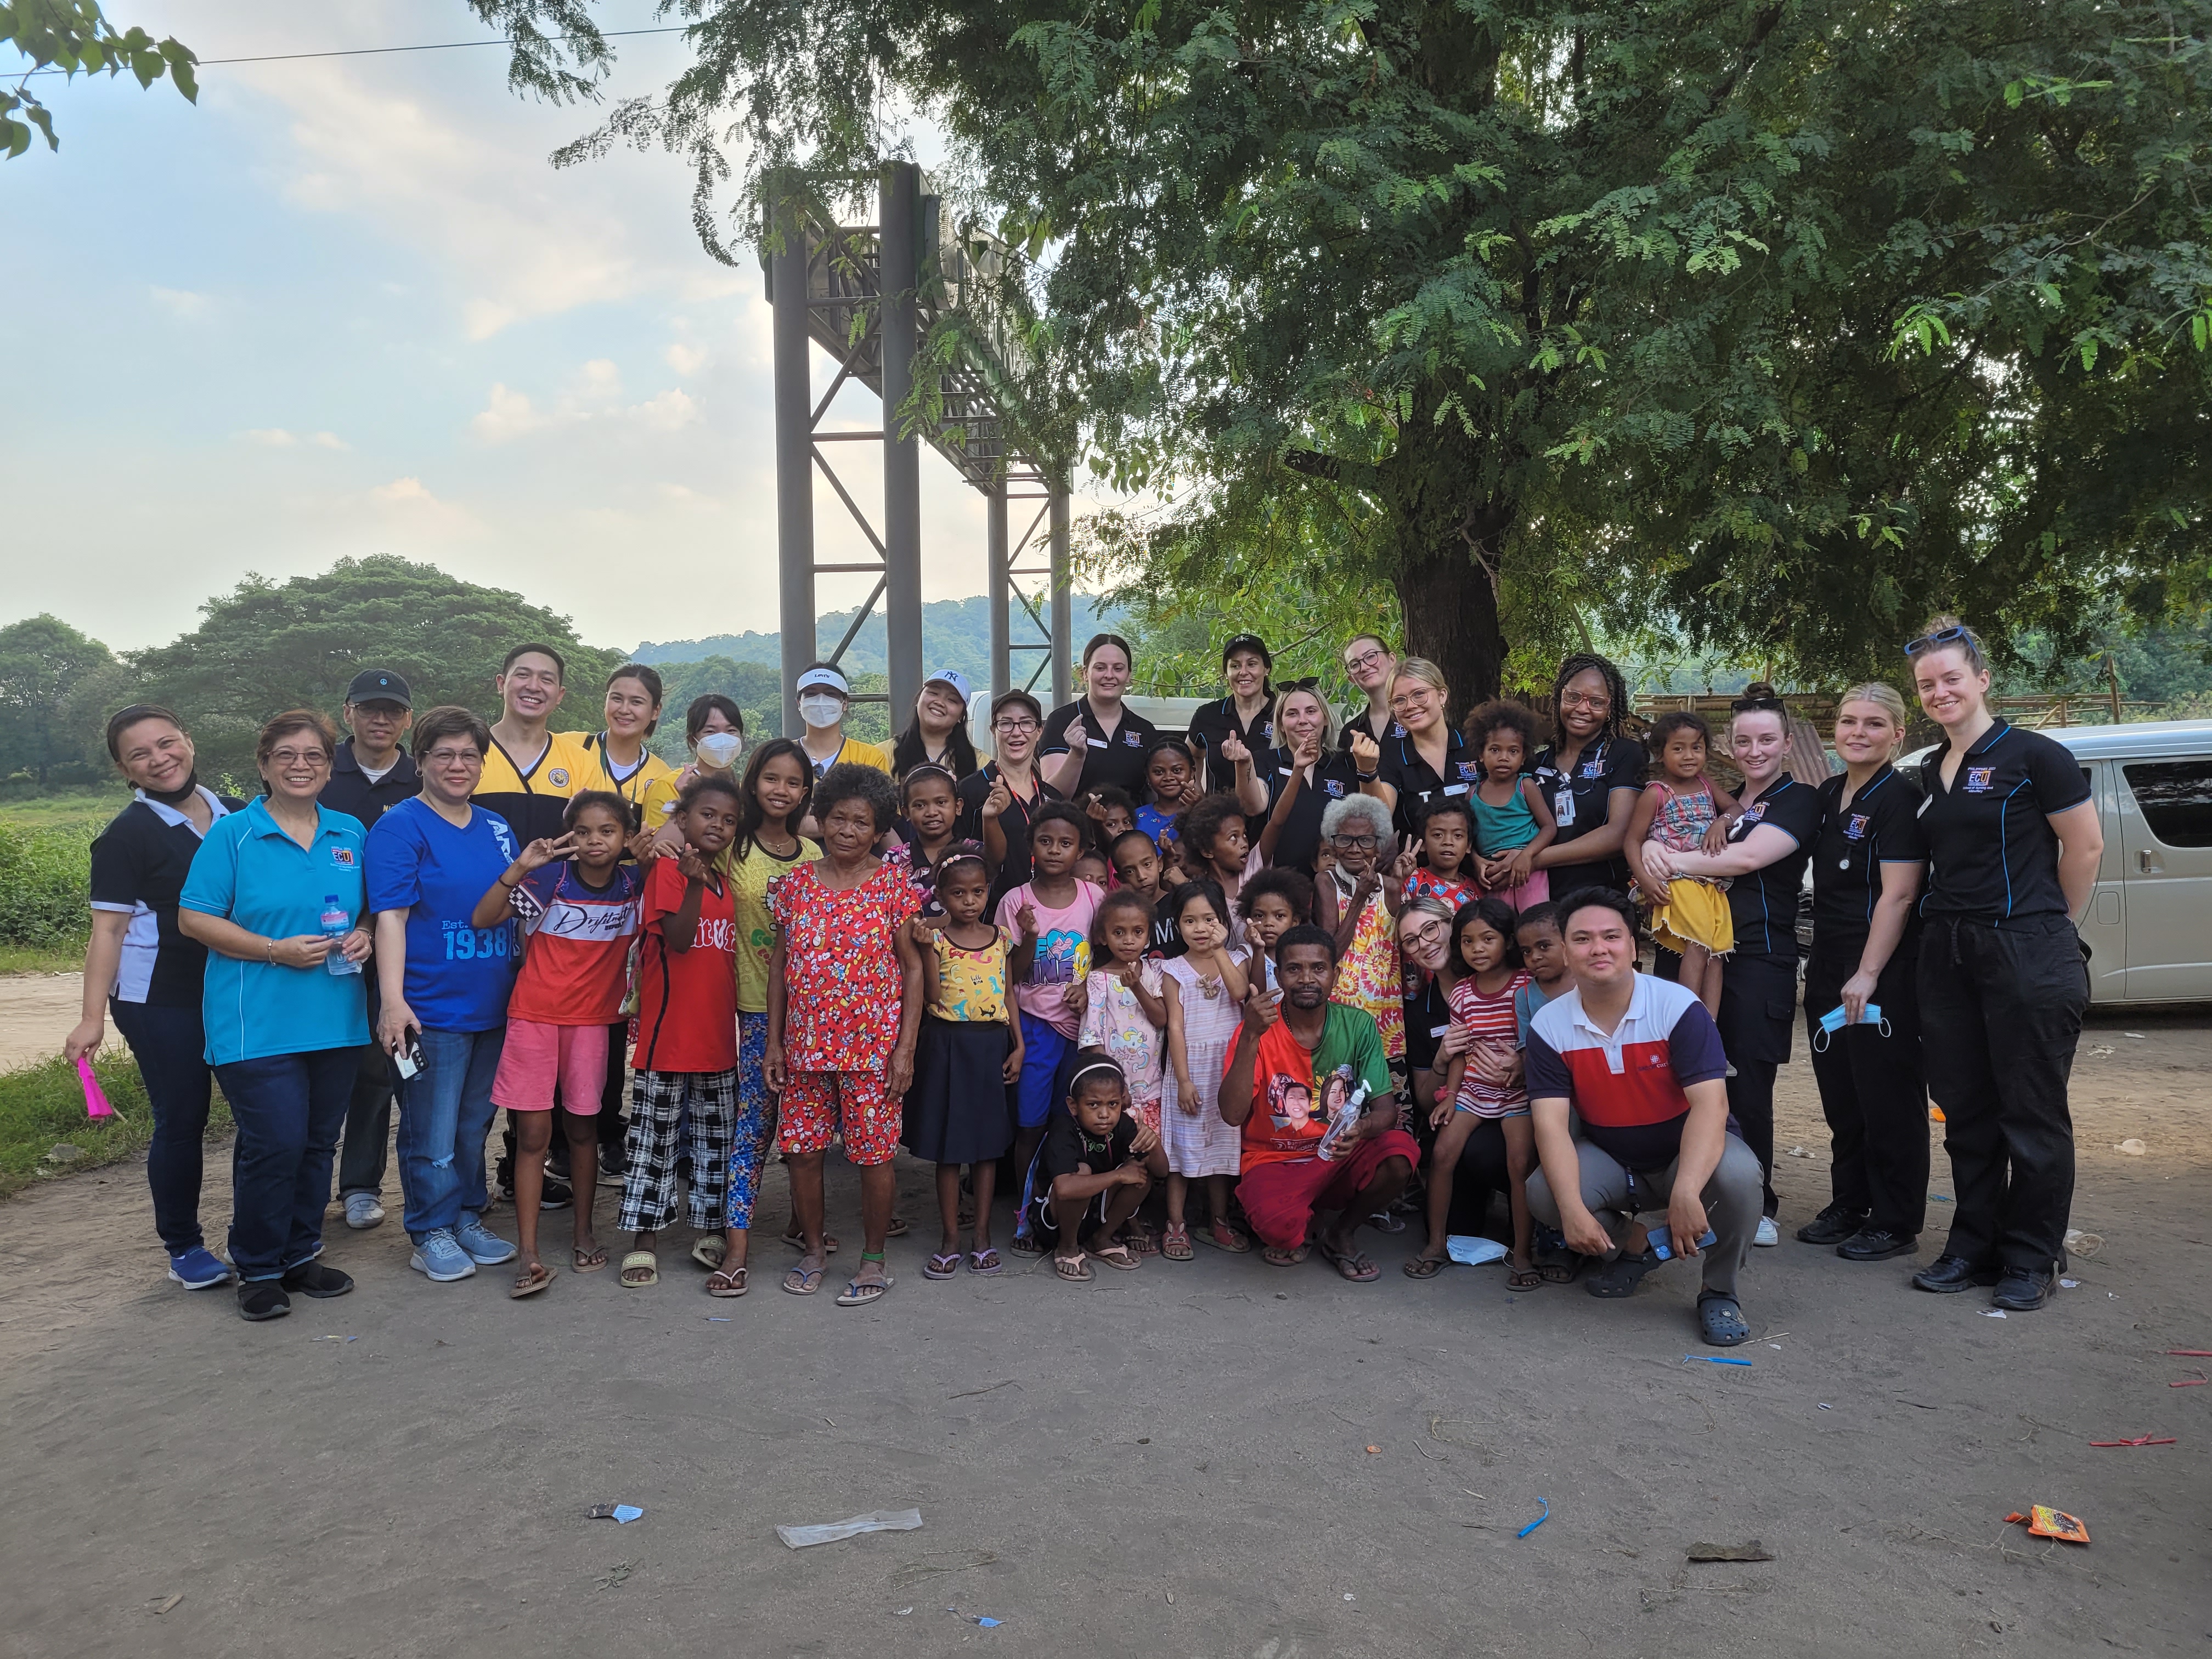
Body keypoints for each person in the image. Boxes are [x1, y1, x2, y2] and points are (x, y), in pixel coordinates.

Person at [1904, 618, 2100, 1311]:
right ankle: (1973, 1244)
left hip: (2026, 946)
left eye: (1952, 678)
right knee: (1965, 1110)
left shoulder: (2036, 756)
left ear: (1983, 680)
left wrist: (2051, 927)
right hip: (1949, 951)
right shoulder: (1931, 767)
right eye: (1927, 684)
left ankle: (2030, 1255)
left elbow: (2086, 848)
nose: (1940, 691)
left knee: (2032, 1113)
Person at [176, 711, 372, 1321]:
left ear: (328, 765)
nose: (300, 766)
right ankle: (257, 1266)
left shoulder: (349, 832)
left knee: (317, 1143)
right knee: (275, 1143)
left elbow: (373, 909)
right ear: (264, 765)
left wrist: (364, 933)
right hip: (255, 1022)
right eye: (286, 755)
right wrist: (272, 950)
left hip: (336, 1016)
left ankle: (299, 1254)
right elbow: (194, 918)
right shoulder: (233, 835)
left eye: (314, 756)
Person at [1522, 890, 1763, 1347]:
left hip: (1682, 1152)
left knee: (1738, 1175)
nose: (1598, 948)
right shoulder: (1549, 1026)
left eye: (1612, 936)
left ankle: (1720, 1292)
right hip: (1614, 1157)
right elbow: (1550, 1125)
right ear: (1567, 953)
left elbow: (1712, 1107)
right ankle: (1635, 1246)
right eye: (1582, 939)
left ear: (1634, 947)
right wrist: (1571, 1212)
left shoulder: (1677, 1008)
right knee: (1546, 1194)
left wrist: (1687, 1191)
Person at [1633, 685, 1824, 1245]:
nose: (1755, 749)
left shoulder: (1797, 800)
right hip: (1683, 947)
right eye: (1744, 740)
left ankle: (1756, 1202)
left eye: (1767, 739)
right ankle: (1691, 1193)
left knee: (1743, 1081)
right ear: (1730, 748)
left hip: (1755, 958)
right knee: (1685, 1078)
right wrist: (1646, 852)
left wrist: (1661, 858)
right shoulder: (1716, 799)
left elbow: (1744, 858)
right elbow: (1649, 836)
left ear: (1787, 743)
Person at [69, 706, 244, 1293]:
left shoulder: (238, 816)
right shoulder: (126, 836)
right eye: (140, 754)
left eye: (167, 743)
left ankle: (262, 1231)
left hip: (235, 986)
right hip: (159, 999)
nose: (159, 758)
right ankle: (184, 1246)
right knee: (183, 1118)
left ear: (189, 742)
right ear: (125, 769)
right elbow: (109, 932)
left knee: (261, 1112)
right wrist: (92, 1018)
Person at [368, 706, 523, 1285]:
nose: (458, 766)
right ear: (421, 761)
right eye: (444, 755)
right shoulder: (399, 827)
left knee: (473, 1124)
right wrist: (393, 1002)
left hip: (495, 1004)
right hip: (430, 1009)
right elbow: (391, 919)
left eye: (469, 756)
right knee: (429, 1129)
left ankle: (465, 1214)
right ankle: (428, 1228)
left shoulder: (496, 827)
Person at [472, 791, 642, 1295]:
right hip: (534, 1020)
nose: (595, 841)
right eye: (585, 832)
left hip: (593, 1025)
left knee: (585, 1133)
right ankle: (528, 1251)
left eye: (608, 831)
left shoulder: (635, 884)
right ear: (570, 837)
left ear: (625, 839)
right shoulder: (548, 880)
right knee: (532, 1138)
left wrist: (654, 849)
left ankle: (584, 1232)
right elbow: (484, 919)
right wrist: (520, 866)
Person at [768, 764, 924, 1307]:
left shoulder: (895, 887)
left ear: (878, 827)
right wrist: (774, 1042)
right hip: (806, 1046)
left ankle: (874, 1259)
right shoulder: (794, 886)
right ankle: (813, 1251)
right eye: (839, 818)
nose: (848, 830)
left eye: (862, 822)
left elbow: (912, 969)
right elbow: (780, 967)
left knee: (874, 1156)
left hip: (872, 1048)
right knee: (804, 1154)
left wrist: (904, 1048)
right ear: (823, 817)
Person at [1795, 683, 1931, 1263]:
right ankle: (1850, 1201)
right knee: (1842, 1092)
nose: (1858, 732)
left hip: (1879, 971)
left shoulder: (1900, 799)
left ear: (1898, 734)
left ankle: (1896, 1220)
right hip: (1828, 963)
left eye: (1874, 724)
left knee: (1888, 1095)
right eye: (1849, 721)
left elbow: (1899, 896)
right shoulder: (1829, 793)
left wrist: (1869, 973)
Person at [1220, 924, 1419, 1279]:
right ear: (1278, 975)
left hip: (1338, 1154)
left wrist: (1362, 1128)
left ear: (1335, 974)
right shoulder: (1256, 1028)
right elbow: (1233, 1115)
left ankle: (1341, 1233)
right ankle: (1303, 1217)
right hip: (1275, 1157)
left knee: (1400, 1153)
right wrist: (1251, 1034)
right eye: (1294, 969)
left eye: (1318, 968)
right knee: (1279, 1229)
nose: (1307, 978)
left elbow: (1386, 1112)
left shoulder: (1358, 1025)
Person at [619, 774, 744, 1289]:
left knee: (717, 1140)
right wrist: (691, 881)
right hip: (667, 1037)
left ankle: (710, 1229)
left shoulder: (722, 880)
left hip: (717, 1035)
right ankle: (644, 1240)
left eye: (729, 819)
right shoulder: (669, 873)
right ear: (684, 820)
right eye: (707, 815)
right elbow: (680, 938)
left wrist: (702, 880)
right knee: (656, 1140)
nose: (718, 825)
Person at [711, 737, 820, 1294]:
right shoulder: (731, 847)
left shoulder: (816, 857)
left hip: (813, 1019)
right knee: (753, 1133)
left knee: (808, 1132)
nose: (782, 790)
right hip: (751, 1012)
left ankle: (806, 1228)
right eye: (772, 778)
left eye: (794, 782)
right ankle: (737, 1248)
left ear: (806, 792)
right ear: (754, 782)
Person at [567, 663, 676, 1185]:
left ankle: (608, 1131)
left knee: (613, 1024)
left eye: (638, 701)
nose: (625, 708)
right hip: (568, 911)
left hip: (626, 914)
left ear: (656, 712)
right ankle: (552, 1146)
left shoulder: (664, 776)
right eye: (617, 698)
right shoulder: (571, 751)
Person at [320, 669, 420, 1232]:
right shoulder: (320, 773)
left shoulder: (421, 777)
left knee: (405, 1063)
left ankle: (405, 1183)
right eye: (368, 708)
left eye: (392, 710)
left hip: (404, 947)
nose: (380, 719)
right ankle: (349, 1184)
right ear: (349, 711)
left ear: (407, 719)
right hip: (331, 949)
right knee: (356, 1068)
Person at [903, 847, 1021, 1280]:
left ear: (988, 892)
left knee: (987, 1149)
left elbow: (1009, 995)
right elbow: (933, 997)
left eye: (977, 892)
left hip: (992, 1046)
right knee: (950, 1150)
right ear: (941, 896)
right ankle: (951, 1238)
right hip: (948, 1045)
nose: (969, 901)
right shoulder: (935, 939)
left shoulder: (1002, 939)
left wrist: (1020, 1045)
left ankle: (983, 1237)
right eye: (958, 893)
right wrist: (926, 950)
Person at [1410, 899, 1536, 1284]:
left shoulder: (1525, 985)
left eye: (1488, 939)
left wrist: (1523, 1062)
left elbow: (1541, 1040)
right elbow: (1461, 1052)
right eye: (1467, 941)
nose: (1477, 948)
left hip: (1518, 1094)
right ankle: (1436, 1242)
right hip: (1474, 1089)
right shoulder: (1463, 994)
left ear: (1508, 941)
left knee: (1519, 1166)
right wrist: (1450, 1095)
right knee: (1443, 1153)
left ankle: (1523, 1253)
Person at [996, 801, 1104, 1211]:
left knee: (1071, 1122)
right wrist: (1026, 936)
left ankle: (1065, 1203)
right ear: (1032, 847)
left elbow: (1105, 956)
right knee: (1030, 1124)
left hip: (1083, 1029)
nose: (1055, 850)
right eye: (1046, 841)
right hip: (1034, 1027)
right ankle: (1027, 1208)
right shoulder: (1016, 901)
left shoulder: (1094, 896)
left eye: (1065, 843)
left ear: (1080, 851)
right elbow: (1014, 975)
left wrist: (1088, 988)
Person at [1624, 710, 1741, 1019]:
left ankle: (1710, 1028)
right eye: (1678, 748)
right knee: (1699, 944)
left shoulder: (1705, 784)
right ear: (1660, 754)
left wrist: (1721, 822)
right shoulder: (1656, 793)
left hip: (1710, 881)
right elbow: (1631, 841)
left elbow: (1736, 807)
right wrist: (1646, 881)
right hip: (1677, 880)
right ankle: (1691, 1022)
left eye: (1697, 747)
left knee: (1718, 952)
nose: (1689, 756)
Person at [1158, 883, 1251, 1258]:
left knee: (1221, 1151)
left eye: (1209, 920)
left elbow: (1240, 993)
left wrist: (1219, 950)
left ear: (1224, 921)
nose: (1200, 928)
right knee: (1181, 1151)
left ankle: (1218, 1221)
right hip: (1189, 1066)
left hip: (1227, 1067)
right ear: (1177, 926)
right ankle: (1176, 1224)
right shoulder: (1173, 969)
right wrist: (1182, 1080)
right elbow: (1175, 1027)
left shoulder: (1238, 957)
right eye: (1189, 921)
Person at [1028, 1056, 1167, 1279]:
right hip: (1053, 1220)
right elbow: (1065, 1189)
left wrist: (1153, 1142)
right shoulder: (1064, 1129)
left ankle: (1101, 1239)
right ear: (1073, 1106)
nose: (1105, 1114)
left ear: (1121, 1101)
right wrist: (1119, 1175)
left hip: (1095, 1213)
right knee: (1082, 1172)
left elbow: (1161, 1171)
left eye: (1113, 1104)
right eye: (1093, 1105)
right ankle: (1067, 1247)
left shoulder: (1121, 1122)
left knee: (1140, 1171)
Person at [1530, 653, 1646, 901]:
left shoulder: (1623, 754)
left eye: (1596, 702)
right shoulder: (1536, 764)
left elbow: (1618, 834)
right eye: (1573, 698)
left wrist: (1533, 859)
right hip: (1538, 900)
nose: (1582, 709)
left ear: (1609, 708)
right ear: (1560, 697)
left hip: (1601, 899)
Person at [1313, 793, 1406, 1060]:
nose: (1354, 849)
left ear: (1379, 847)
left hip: (1384, 1012)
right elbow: (1331, 952)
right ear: (1334, 843)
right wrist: (1359, 899)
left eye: (1365, 840)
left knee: (1386, 1097)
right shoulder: (1326, 882)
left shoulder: (1391, 887)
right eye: (1345, 840)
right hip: (1341, 1011)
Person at [476, 644, 596, 844]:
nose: (533, 686)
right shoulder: (469, 752)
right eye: (523, 675)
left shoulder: (580, 761)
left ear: (560, 695)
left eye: (546, 679)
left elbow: (587, 840)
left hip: (557, 876)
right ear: (501, 683)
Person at [1079, 888, 1171, 1139]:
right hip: (1113, 1096)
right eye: (1119, 933)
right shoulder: (1098, 979)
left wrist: (1137, 987)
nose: (1128, 940)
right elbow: (1092, 1039)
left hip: (1153, 1089)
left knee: (1152, 1151)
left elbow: (1162, 1019)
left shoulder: (1156, 971)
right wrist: (1116, 1087)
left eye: (1137, 932)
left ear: (1149, 936)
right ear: (1104, 937)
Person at [962, 689, 1062, 910]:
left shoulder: (1053, 798)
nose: (1016, 732)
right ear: (993, 731)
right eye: (1006, 724)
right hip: (989, 917)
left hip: (1048, 913)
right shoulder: (971, 790)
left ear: (1039, 731)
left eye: (1026, 723)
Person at [1254, 682, 1363, 876]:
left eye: (1311, 711)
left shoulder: (1346, 766)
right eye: (1292, 713)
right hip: (1278, 887)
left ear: (1326, 718)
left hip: (1336, 887)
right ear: (1280, 723)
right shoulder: (1263, 761)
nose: (1303, 720)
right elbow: (1253, 805)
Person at [1369, 658, 1477, 840]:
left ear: (1442, 695)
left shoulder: (1475, 746)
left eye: (1419, 694)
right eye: (1399, 700)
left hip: (1485, 864)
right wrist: (1367, 770)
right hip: (1417, 866)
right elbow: (1378, 819)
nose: (1410, 706)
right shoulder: (1392, 756)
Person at [1039, 632, 1158, 798]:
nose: (1109, 675)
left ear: (1129, 674)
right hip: (1076, 823)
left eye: (1118, 668)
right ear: (1086, 673)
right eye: (1100, 668)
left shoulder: (1144, 730)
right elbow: (1052, 795)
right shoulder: (1061, 721)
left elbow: (1155, 795)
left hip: (1130, 824)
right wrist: (1076, 755)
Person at [1465, 702, 1558, 912]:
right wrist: (1477, 861)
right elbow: (1468, 839)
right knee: (1499, 930)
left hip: (1529, 874)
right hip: (1492, 878)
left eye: (1513, 751)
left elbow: (1549, 828)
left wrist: (1527, 855)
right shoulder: (1472, 795)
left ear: (1524, 756)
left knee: (1536, 925)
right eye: (1495, 750)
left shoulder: (1526, 787)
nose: (1504, 757)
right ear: (1481, 754)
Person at [641, 693, 747, 844]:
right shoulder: (668, 786)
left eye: (731, 731)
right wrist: (685, 801)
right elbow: (659, 851)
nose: (723, 740)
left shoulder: (745, 791)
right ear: (692, 740)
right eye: (711, 732)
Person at [1187, 633, 1277, 791]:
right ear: (1225, 673)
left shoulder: (1284, 714)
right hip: (1218, 814)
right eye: (1235, 666)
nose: (1243, 672)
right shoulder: (1207, 715)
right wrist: (1197, 787)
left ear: (1266, 669)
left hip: (1274, 815)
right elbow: (1189, 756)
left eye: (1252, 664)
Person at [886, 763, 963, 918]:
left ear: (958, 806)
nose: (932, 812)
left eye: (941, 802)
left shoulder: (971, 853)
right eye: (920, 805)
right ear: (906, 812)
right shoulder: (895, 859)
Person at [1178, 793, 1260, 934]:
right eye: (1234, 837)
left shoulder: (1252, 869)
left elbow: (1277, 823)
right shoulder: (1200, 892)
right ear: (1207, 851)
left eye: (1244, 835)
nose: (1244, 843)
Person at [793, 663, 892, 778]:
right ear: (799, 703)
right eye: (811, 694)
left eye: (830, 694)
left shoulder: (870, 758)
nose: (821, 700)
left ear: (845, 703)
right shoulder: (782, 755)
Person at [1107, 826, 1186, 959]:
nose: (1141, 876)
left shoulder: (1179, 903)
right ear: (1121, 879)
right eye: (1130, 871)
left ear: (1159, 864)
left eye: (1147, 864)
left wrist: (1186, 885)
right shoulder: (1122, 915)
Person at [889, 668, 983, 779]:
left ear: (961, 716)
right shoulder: (884, 754)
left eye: (952, 700)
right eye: (934, 693)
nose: (939, 702)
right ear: (919, 699)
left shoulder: (981, 762)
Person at [1401, 798, 1481, 911]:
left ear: (1468, 846)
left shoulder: (1476, 888)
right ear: (1422, 843)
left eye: (1458, 836)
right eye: (1438, 835)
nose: (1448, 842)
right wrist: (1397, 879)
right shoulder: (1412, 881)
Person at [1135, 733, 1205, 853]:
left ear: (1192, 772)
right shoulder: (1136, 818)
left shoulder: (1204, 813)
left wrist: (1199, 810)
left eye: (1177, 770)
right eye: (1159, 772)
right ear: (1148, 777)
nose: (1168, 777)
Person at [1336, 634, 1404, 752]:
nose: (1364, 667)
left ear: (1392, 659)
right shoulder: (1350, 732)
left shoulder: (1416, 715)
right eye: (1355, 664)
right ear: (1352, 679)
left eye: (1370, 656)